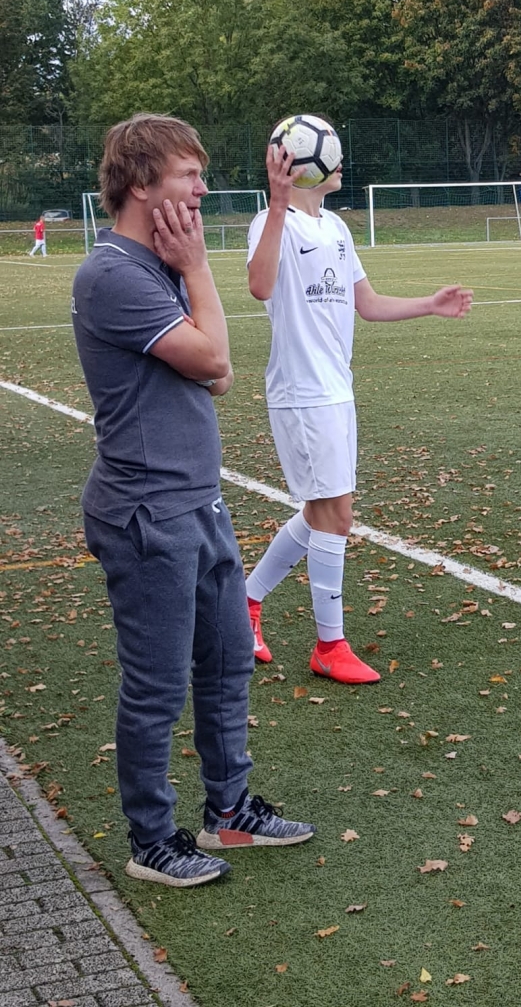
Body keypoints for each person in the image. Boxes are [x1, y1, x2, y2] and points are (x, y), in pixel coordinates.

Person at [71, 113, 315, 889]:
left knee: (228, 658)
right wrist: (200, 271)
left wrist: (192, 289)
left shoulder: (160, 265)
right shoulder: (113, 273)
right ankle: (152, 842)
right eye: (188, 174)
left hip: (196, 502)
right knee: (157, 687)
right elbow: (212, 356)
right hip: (146, 511)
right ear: (143, 183)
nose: (203, 188)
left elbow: (220, 376)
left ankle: (229, 811)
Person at [245, 122, 473, 682]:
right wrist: (277, 204)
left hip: (337, 390)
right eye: (330, 150)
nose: (340, 159)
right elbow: (260, 285)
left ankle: (243, 602)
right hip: (302, 393)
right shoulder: (272, 222)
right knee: (337, 514)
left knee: (320, 513)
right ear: (302, 163)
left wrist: (429, 304)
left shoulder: (338, 228)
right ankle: (329, 646)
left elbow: (366, 304)